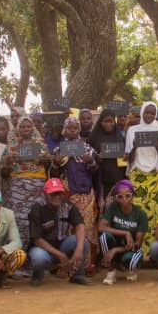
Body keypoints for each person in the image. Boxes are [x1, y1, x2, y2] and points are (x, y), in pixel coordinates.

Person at [52, 116, 99, 270]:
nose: (72, 130)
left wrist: (90, 161)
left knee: (86, 227)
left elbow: (95, 171)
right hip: (66, 193)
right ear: (65, 130)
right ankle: (66, 264)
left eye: (75, 128)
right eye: (69, 128)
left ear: (79, 130)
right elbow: (54, 174)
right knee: (65, 226)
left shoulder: (87, 148)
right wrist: (56, 163)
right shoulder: (59, 149)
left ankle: (85, 264)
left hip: (85, 194)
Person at [27, 177, 91, 286]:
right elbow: (37, 240)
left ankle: (78, 275)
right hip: (44, 249)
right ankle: (38, 275)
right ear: (45, 194)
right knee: (38, 257)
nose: (57, 197)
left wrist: (79, 249)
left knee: (82, 242)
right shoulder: (37, 208)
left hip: (62, 245)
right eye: (53, 194)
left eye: (60, 193)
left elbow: (80, 225)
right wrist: (60, 255)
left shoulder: (67, 205)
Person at [124, 101, 158, 251]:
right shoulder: (132, 130)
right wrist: (135, 145)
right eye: (147, 112)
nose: (149, 115)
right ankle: (137, 251)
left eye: (152, 113)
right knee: (137, 211)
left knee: (156, 212)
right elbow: (129, 159)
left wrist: (156, 144)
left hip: (156, 175)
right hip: (137, 176)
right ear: (142, 112)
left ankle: (155, 252)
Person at [3, 116, 51, 246]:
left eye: (28, 126)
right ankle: (18, 250)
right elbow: (3, 172)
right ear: (18, 128)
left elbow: (48, 165)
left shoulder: (40, 144)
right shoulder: (11, 146)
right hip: (17, 187)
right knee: (18, 219)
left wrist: (43, 159)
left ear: (33, 128)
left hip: (37, 186)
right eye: (22, 126)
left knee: (35, 218)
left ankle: (35, 249)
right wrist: (8, 161)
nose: (25, 129)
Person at [98, 179, 149, 284]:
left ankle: (132, 269)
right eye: (120, 197)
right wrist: (126, 233)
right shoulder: (113, 208)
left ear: (133, 196)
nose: (124, 199)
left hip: (132, 247)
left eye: (128, 195)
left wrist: (115, 250)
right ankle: (111, 270)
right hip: (117, 241)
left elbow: (137, 244)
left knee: (130, 261)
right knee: (104, 236)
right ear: (116, 198)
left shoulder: (140, 214)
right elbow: (101, 227)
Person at [88, 108, 127, 205]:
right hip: (100, 180)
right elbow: (87, 156)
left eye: (111, 121)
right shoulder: (93, 137)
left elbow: (126, 158)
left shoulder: (120, 137)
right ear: (100, 122)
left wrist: (125, 156)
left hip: (117, 178)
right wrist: (96, 157)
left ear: (115, 122)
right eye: (105, 121)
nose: (108, 124)